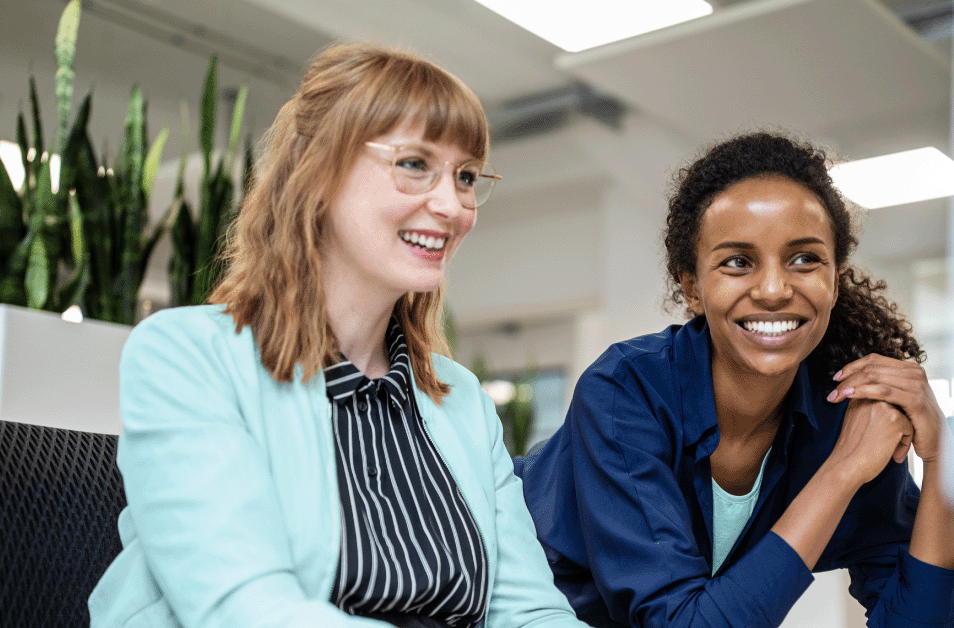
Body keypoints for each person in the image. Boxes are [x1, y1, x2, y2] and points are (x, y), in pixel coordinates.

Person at [88, 43, 589, 628]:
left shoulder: (461, 401)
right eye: (413, 164)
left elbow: (528, 611)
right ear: (318, 173)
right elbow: (244, 610)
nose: (453, 205)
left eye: (467, 176)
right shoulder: (186, 355)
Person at [514, 132, 954, 628]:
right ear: (692, 287)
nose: (774, 289)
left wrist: (941, 456)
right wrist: (842, 471)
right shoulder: (626, 391)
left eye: (804, 259)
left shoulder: (845, 412)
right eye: (737, 262)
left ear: (835, 280)